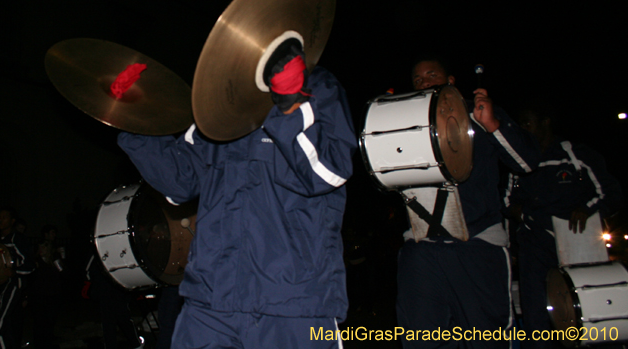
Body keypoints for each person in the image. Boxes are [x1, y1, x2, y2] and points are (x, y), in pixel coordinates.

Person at [118, 41, 356, 348]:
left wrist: (291, 103)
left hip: (294, 303)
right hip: (209, 301)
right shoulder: (220, 102)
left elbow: (327, 172)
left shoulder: (317, 82)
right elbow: (180, 182)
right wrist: (135, 117)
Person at [395, 58, 541, 348]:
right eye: (417, 79)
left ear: (450, 81)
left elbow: (526, 162)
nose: (424, 82)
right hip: (421, 250)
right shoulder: (405, 126)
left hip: (477, 247)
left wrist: (493, 125)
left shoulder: (478, 114)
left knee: (486, 338)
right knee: (422, 339)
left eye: (431, 75)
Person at [506, 105, 623, 348]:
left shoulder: (575, 154)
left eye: (528, 123)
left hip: (578, 246)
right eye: (520, 125)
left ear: (546, 122)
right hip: (535, 247)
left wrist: (588, 209)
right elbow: (505, 201)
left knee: (584, 316)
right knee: (537, 318)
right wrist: (517, 213)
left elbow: (611, 193)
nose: (523, 130)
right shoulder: (519, 162)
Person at [0, 207, 35, 349]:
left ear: (12, 221)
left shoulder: (17, 239)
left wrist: (14, 272)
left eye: (4, 217)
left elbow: (31, 265)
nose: (0, 220)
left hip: (12, 286)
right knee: (2, 325)